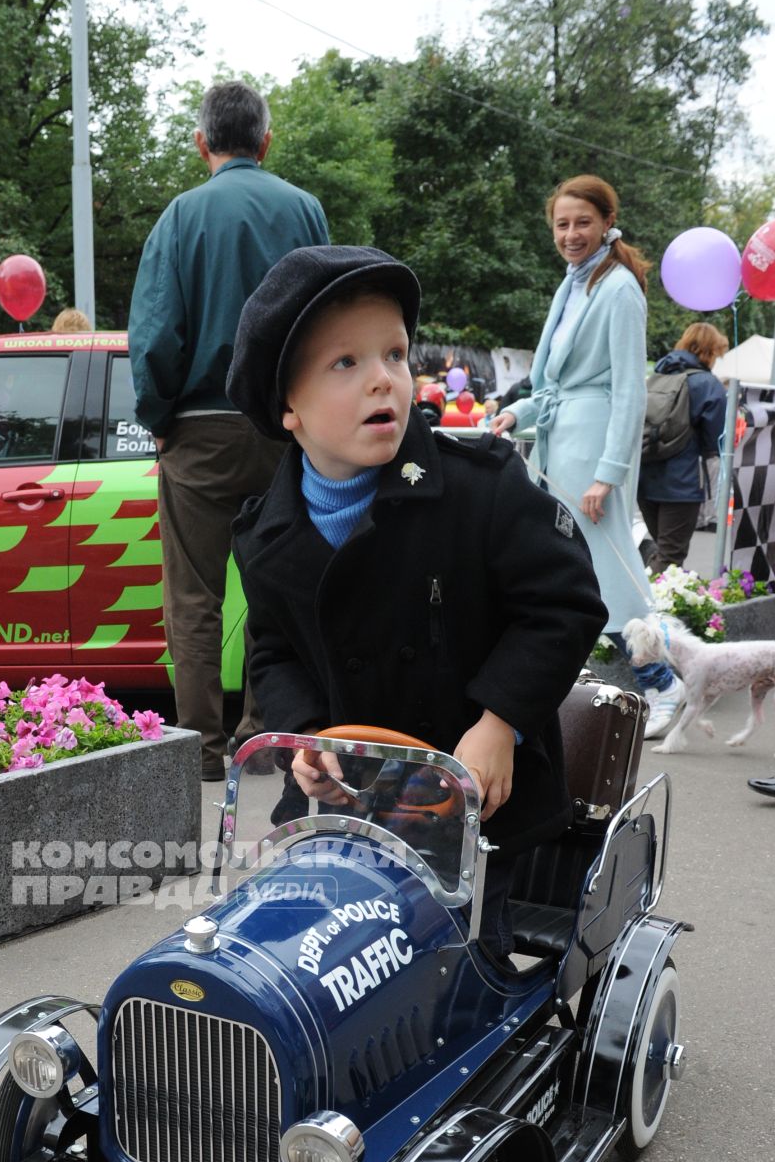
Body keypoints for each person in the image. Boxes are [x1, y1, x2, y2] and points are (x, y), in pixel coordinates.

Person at [227, 245, 606, 960]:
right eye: (345, 364)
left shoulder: (479, 487)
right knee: (309, 959)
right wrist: (304, 735)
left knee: (458, 965)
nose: (384, 380)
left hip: (472, 801)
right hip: (338, 800)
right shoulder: (265, 533)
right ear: (287, 408)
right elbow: (273, 652)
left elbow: (563, 605)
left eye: (394, 355)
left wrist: (500, 723)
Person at [128, 80, 330, 780]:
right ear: (265, 141)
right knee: (276, 587)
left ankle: (200, 751)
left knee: (193, 598)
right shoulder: (304, 210)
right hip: (283, 428)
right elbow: (324, 322)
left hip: (198, 430)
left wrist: (157, 420)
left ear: (200, 142)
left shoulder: (180, 217)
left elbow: (154, 337)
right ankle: (262, 736)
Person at [491, 174, 682, 738]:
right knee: (570, 565)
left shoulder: (618, 286)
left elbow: (629, 388)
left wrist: (609, 474)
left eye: (582, 223)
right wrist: (517, 415)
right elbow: (553, 386)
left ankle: (662, 682)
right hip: (564, 441)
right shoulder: (575, 283)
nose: (571, 234)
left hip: (595, 448)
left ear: (606, 223)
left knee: (609, 568)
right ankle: (579, 681)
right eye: (562, 224)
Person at [637, 321, 729, 571]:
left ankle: (641, 599)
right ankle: (645, 608)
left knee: (661, 550)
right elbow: (715, 443)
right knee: (670, 558)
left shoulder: (655, 377)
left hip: (644, 478)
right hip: (682, 484)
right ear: (711, 352)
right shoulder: (709, 386)